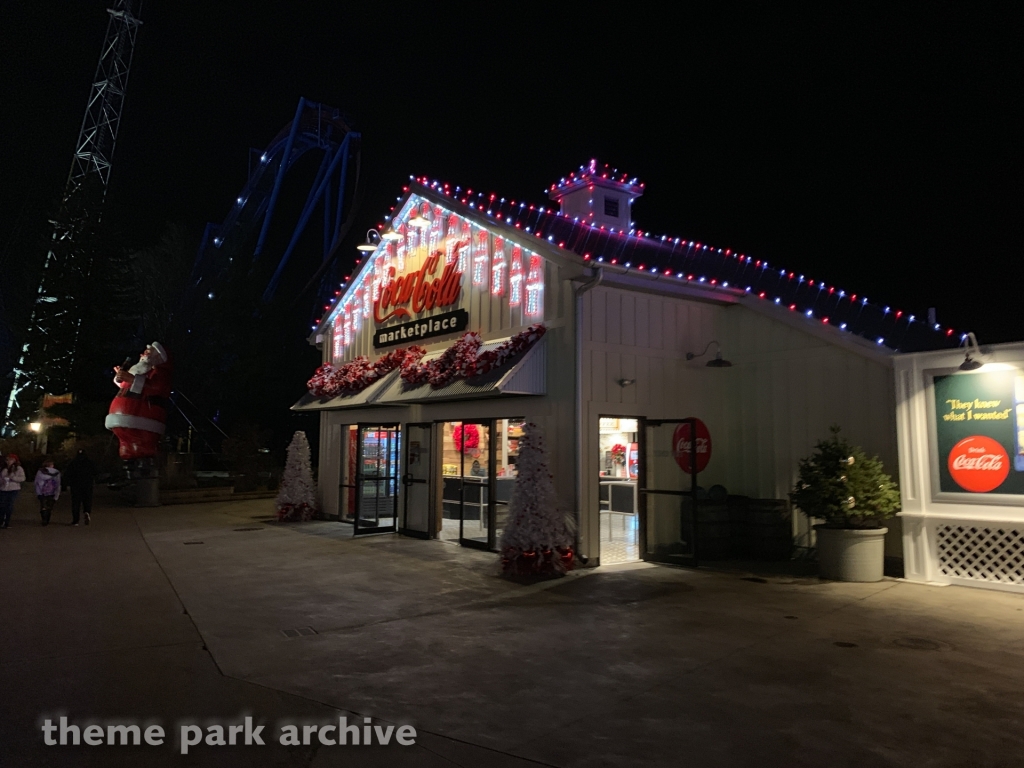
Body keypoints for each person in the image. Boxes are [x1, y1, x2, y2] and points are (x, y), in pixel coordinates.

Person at [105, 342, 173, 461]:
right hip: (122, 416)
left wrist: (131, 378)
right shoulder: (140, 371)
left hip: (142, 418)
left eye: (148, 352)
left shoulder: (160, 372)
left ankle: (144, 457)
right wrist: (121, 378)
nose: (143, 354)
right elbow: (126, 385)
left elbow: (156, 387)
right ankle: (127, 453)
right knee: (126, 444)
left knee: (141, 445)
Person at [64, 449, 97, 525]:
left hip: (75, 485)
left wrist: (65, 484)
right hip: (87, 484)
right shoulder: (90, 463)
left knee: (76, 502)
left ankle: (76, 520)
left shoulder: (73, 463)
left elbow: (67, 474)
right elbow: (96, 471)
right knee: (87, 500)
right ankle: (87, 511)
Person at [0, 454, 26, 528]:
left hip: (13, 489)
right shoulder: (3, 468)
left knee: (9, 505)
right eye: (7, 460)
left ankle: (6, 522)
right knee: (2, 505)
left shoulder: (18, 469)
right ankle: (1, 520)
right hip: (3, 488)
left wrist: (13, 477)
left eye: (10, 459)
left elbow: (22, 478)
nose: (8, 461)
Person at [34, 458, 61, 526]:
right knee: (49, 506)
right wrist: (57, 495)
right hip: (52, 492)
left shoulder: (40, 472)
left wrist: (38, 492)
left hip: (42, 492)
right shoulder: (56, 472)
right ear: (52, 465)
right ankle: (47, 519)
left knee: (43, 505)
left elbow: (36, 482)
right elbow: (58, 484)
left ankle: (44, 518)